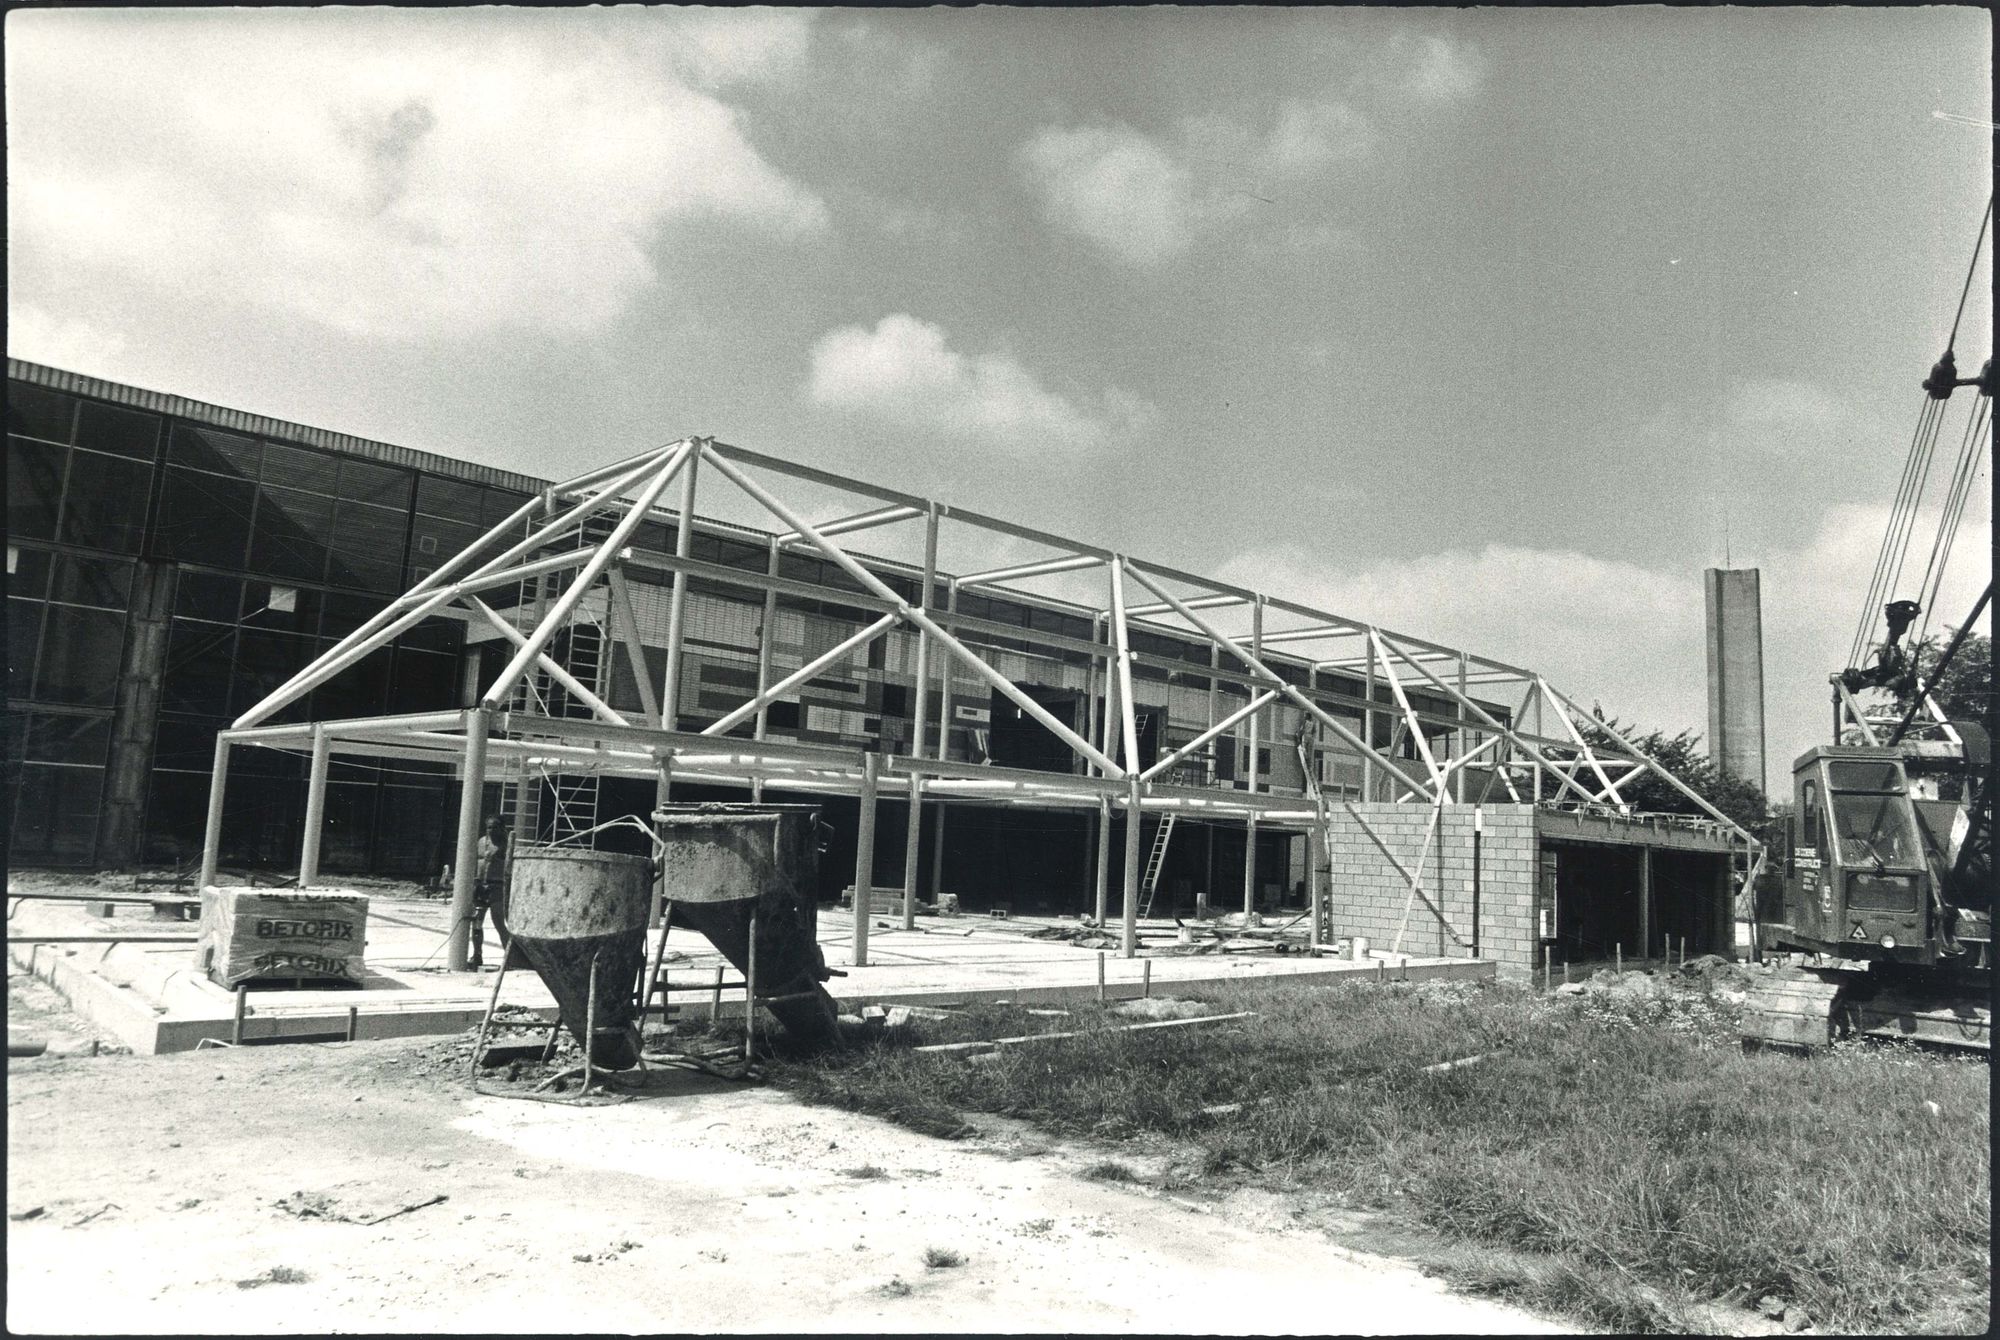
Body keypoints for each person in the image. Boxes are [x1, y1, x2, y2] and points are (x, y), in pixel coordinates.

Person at [470, 817, 511, 970]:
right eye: (488, 827)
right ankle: (477, 954)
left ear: (501, 828)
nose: (491, 830)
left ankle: (509, 958)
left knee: (499, 922)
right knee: (476, 922)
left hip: (497, 886)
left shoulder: (506, 845)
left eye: (494, 827)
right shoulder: (481, 842)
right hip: (481, 885)